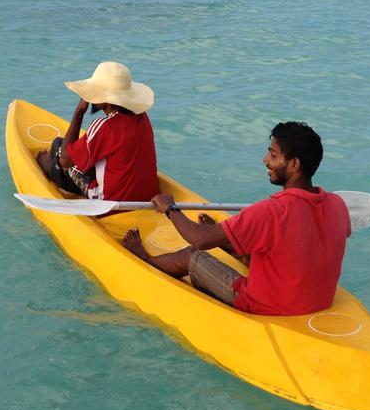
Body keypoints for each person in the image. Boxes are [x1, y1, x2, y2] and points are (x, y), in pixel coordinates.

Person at [122, 121, 350, 316]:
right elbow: (297, 241)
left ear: (294, 164)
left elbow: (199, 239)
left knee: (193, 256)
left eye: (272, 154)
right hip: (317, 301)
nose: (265, 160)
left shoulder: (270, 211)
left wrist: (171, 209)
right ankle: (225, 239)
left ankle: (147, 259)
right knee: (261, 245)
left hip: (264, 303)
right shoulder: (337, 205)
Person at [36, 61, 158, 202]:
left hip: (109, 203)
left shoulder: (105, 126)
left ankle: (51, 169)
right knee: (86, 154)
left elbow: (65, 160)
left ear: (106, 100)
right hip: (146, 198)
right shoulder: (142, 117)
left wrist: (79, 111)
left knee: (58, 147)